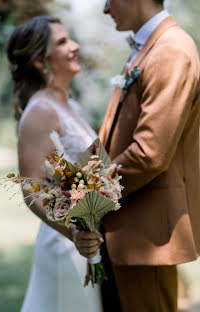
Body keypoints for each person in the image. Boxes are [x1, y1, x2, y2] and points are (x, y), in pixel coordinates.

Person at [77, 0, 200, 311]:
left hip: (148, 234)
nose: (105, 9)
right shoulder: (148, 48)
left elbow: (149, 153)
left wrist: (88, 195)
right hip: (126, 229)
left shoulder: (170, 49)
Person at [7, 16, 103, 312]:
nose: (74, 46)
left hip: (88, 244)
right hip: (65, 248)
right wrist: (74, 233)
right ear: (39, 60)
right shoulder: (40, 111)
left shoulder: (70, 105)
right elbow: (32, 191)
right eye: (62, 42)